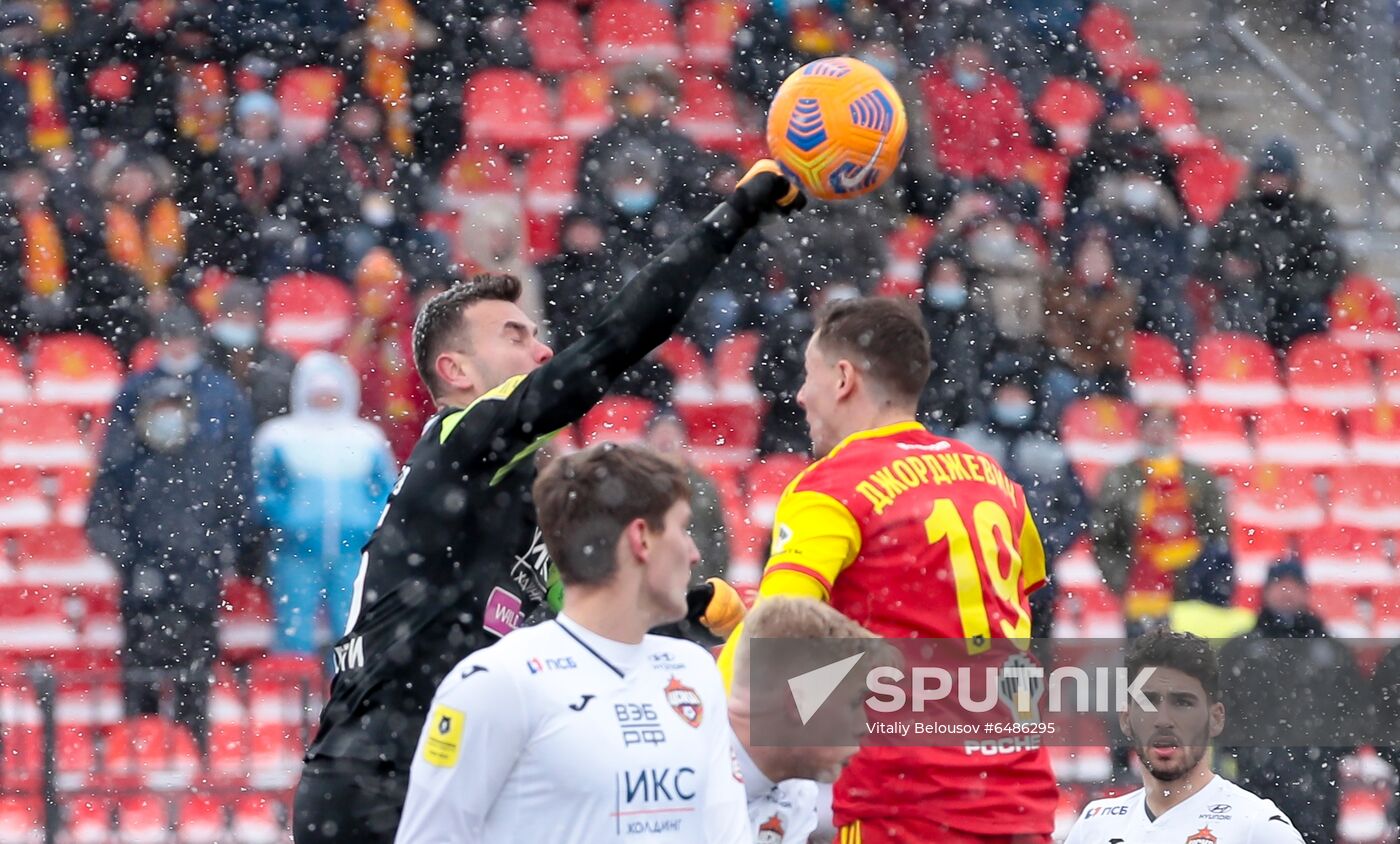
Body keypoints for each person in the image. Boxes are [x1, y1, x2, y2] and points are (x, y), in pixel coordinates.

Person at [292, 161, 804, 843]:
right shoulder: (459, 438)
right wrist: (731, 218)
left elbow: (582, 619)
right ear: (456, 370)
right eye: (515, 336)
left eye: (537, 335)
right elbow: (611, 345)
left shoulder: (516, 487)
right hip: (378, 781)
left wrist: (687, 613)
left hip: (434, 775)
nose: (541, 349)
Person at [718, 296, 1057, 842]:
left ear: (843, 379)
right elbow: (1018, 614)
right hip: (1019, 793)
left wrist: (699, 719)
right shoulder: (994, 479)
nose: (800, 395)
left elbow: (775, 636)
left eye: (808, 375)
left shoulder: (831, 485)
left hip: (906, 799)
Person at [394, 443, 750, 843]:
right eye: (682, 529)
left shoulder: (695, 669)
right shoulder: (497, 681)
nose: (695, 553)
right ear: (641, 539)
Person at [86, 307, 256, 745]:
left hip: (198, 562)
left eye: (185, 335)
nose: (178, 345)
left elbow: (238, 484)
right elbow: (107, 492)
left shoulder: (222, 398)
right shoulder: (134, 396)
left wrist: (224, 544)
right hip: (145, 563)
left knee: (195, 671)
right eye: (170, 335)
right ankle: (139, 750)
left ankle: (193, 750)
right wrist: (128, 557)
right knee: (140, 668)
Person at [1062, 629, 1305, 844]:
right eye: (1148, 702)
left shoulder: (1257, 827)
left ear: (1215, 719)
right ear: (1126, 719)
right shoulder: (1094, 826)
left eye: (1182, 703)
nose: (1163, 720)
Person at [253, 352, 398, 655]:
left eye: (332, 394)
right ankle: (293, 683)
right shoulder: (278, 436)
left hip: (353, 552)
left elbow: (388, 490)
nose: (326, 401)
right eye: (319, 394)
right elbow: (263, 489)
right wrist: (288, 521)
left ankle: (345, 685)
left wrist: (368, 525)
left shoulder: (367, 438)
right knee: (293, 628)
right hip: (295, 552)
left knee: (350, 630)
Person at [1217, 559, 1365, 844]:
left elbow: (1354, 709)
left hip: (1317, 781)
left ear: (1306, 591)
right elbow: (1220, 710)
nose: (1286, 592)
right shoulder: (1239, 651)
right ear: (1265, 591)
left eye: (1293, 585)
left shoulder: (1333, 651)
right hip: (1256, 777)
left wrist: (1330, 751)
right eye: (1279, 585)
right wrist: (1243, 751)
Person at [728, 596, 879, 842]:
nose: (864, 725)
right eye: (854, 704)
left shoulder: (798, 793)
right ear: (798, 703)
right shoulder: (681, 763)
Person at [1092, 406, 1232, 635]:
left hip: (1192, 589)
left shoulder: (1198, 476)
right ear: (1141, 429)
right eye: (1152, 425)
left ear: (1175, 430)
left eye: (1165, 425)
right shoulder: (1121, 476)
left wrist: (1201, 574)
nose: (1158, 431)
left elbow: (1218, 531)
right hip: (1141, 588)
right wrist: (1122, 579)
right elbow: (1104, 536)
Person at [1204, 137, 1345, 350]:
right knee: (1238, 314)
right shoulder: (1239, 213)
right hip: (1249, 299)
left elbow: (1330, 268)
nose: (1272, 182)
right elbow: (1204, 258)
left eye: (1279, 175)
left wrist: (1290, 288)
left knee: (1313, 317)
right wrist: (1228, 268)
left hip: (1297, 303)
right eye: (1267, 175)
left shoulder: (1312, 216)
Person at [644, 413, 729, 583]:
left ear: (684, 441)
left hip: (696, 578)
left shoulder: (703, 485)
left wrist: (714, 580)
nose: (666, 440)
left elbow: (718, 537)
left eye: (671, 433)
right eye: (660, 433)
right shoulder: (638, 484)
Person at [204, 278, 295, 425]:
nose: (239, 318)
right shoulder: (203, 358)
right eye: (232, 312)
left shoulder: (279, 364)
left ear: (260, 319)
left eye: (246, 313)